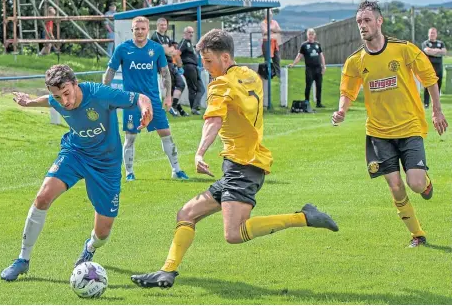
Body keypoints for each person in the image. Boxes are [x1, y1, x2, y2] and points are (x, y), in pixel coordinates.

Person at [130, 29, 339, 289]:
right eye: (203, 62)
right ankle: (167, 271)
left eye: (209, 62)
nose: (205, 68)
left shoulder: (221, 84)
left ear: (226, 57)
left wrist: (199, 151)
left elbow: (214, 120)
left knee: (233, 234)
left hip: (242, 166)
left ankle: (304, 217)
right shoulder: (250, 76)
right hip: (243, 164)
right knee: (186, 213)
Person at [0, 64, 153, 281]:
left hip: (106, 164)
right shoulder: (57, 98)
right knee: (43, 197)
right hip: (75, 153)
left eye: (66, 94)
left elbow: (139, 97)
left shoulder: (99, 94)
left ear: (75, 84)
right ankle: (22, 260)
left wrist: (146, 110)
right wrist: (29, 102)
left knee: (103, 233)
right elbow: (49, 99)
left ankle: (90, 246)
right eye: (58, 96)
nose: (65, 101)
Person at [332, 1, 448, 248]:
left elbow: (429, 78)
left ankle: (426, 183)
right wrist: (341, 110)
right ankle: (417, 234)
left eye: (367, 20)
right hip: (378, 133)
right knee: (395, 186)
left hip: (409, 128)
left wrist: (437, 111)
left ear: (379, 21)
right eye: (359, 22)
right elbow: (348, 90)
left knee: (415, 184)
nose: (362, 26)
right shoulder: (355, 61)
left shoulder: (404, 49)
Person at [103, 16, 189, 181]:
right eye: (137, 28)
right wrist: (105, 93)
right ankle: (129, 173)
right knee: (130, 137)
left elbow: (165, 73)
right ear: (132, 30)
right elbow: (110, 72)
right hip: (131, 101)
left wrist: (169, 95)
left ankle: (176, 170)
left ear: (147, 30)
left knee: (166, 133)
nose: (140, 32)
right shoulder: (122, 49)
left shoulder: (156, 49)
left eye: (143, 29)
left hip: (153, 101)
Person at [151, 18, 188, 117]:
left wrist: (170, 50)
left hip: (171, 64)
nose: (163, 26)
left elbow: (174, 51)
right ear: (157, 25)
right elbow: (167, 51)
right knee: (169, 87)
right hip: (163, 64)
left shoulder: (167, 37)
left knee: (181, 84)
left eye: (165, 25)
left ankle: (174, 106)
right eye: (161, 25)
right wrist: (170, 50)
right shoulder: (156, 36)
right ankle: (172, 108)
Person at [288, 28, 326, 108]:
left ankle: (319, 103)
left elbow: (321, 56)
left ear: (314, 35)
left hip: (318, 68)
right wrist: (293, 64)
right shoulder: (304, 45)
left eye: (312, 34)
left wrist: (324, 66)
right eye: (309, 34)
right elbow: (299, 56)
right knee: (308, 85)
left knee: (319, 86)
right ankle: (306, 102)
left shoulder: (317, 44)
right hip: (309, 68)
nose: (311, 36)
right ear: (307, 35)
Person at [178, 26, 206, 115]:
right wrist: (179, 66)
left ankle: (194, 107)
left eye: (192, 32)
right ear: (185, 33)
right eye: (189, 32)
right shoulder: (183, 42)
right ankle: (194, 108)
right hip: (188, 67)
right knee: (193, 88)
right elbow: (177, 52)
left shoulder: (190, 44)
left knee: (201, 88)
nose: (191, 34)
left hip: (195, 67)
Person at [421, 27, 447, 108]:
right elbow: (427, 51)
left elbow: (444, 52)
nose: (432, 34)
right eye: (431, 33)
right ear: (428, 34)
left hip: (439, 68)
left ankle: (436, 104)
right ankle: (426, 103)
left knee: (438, 86)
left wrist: (433, 51)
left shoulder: (441, 43)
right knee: (427, 86)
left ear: (436, 34)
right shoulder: (425, 43)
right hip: (429, 68)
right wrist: (438, 51)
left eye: (434, 33)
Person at [260, 9, 281, 78]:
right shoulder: (263, 23)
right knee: (267, 59)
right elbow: (265, 32)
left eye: (271, 15)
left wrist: (271, 29)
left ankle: (278, 75)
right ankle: (267, 74)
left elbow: (279, 30)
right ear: (265, 16)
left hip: (275, 42)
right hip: (267, 42)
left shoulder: (275, 22)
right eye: (269, 15)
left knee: (277, 59)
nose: (270, 16)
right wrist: (273, 30)